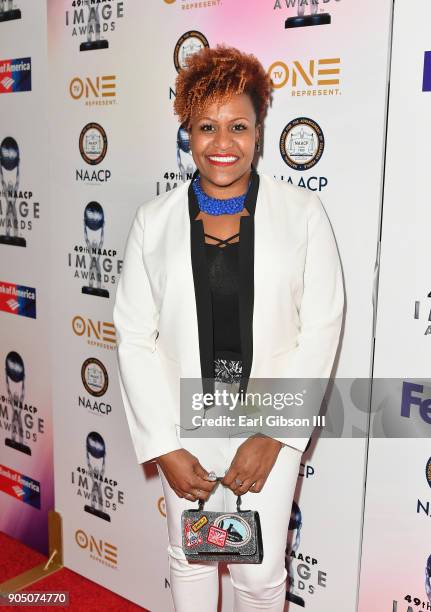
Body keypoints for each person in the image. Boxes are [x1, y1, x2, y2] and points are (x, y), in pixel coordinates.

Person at [113, 45, 344, 612]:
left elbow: (321, 329)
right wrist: (163, 445)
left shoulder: (303, 215)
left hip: (269, 420)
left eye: (238, 126)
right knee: (190, 562)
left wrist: (271, 436)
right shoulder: (154, 221)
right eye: (206, 127)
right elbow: (135, 336)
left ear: (259, 132)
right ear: (188, 134)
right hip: (181, 418)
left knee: (259, 575)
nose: (223, 144)